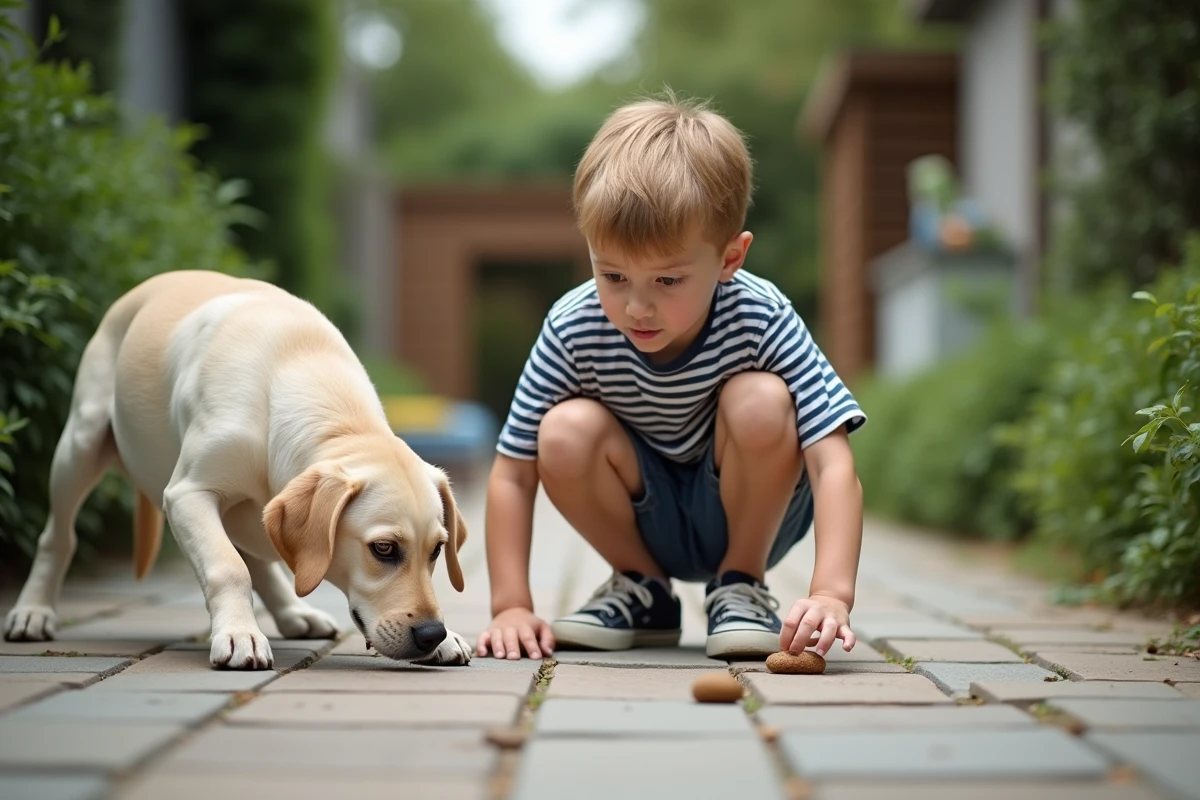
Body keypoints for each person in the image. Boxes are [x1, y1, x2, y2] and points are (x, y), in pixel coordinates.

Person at [475, 92, 866, 662]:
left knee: (760, 399)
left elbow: (833, 463)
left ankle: (740, 584)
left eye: (667, 281)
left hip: (753, 508)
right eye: (612, 274)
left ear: (730, 258)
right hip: (641, 514)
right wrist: (510, 604)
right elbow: (512, 475)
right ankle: (643, 590)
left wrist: (832, 592)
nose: (636, 307)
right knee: (561, 429)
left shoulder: (760, 316)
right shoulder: (572, 326)